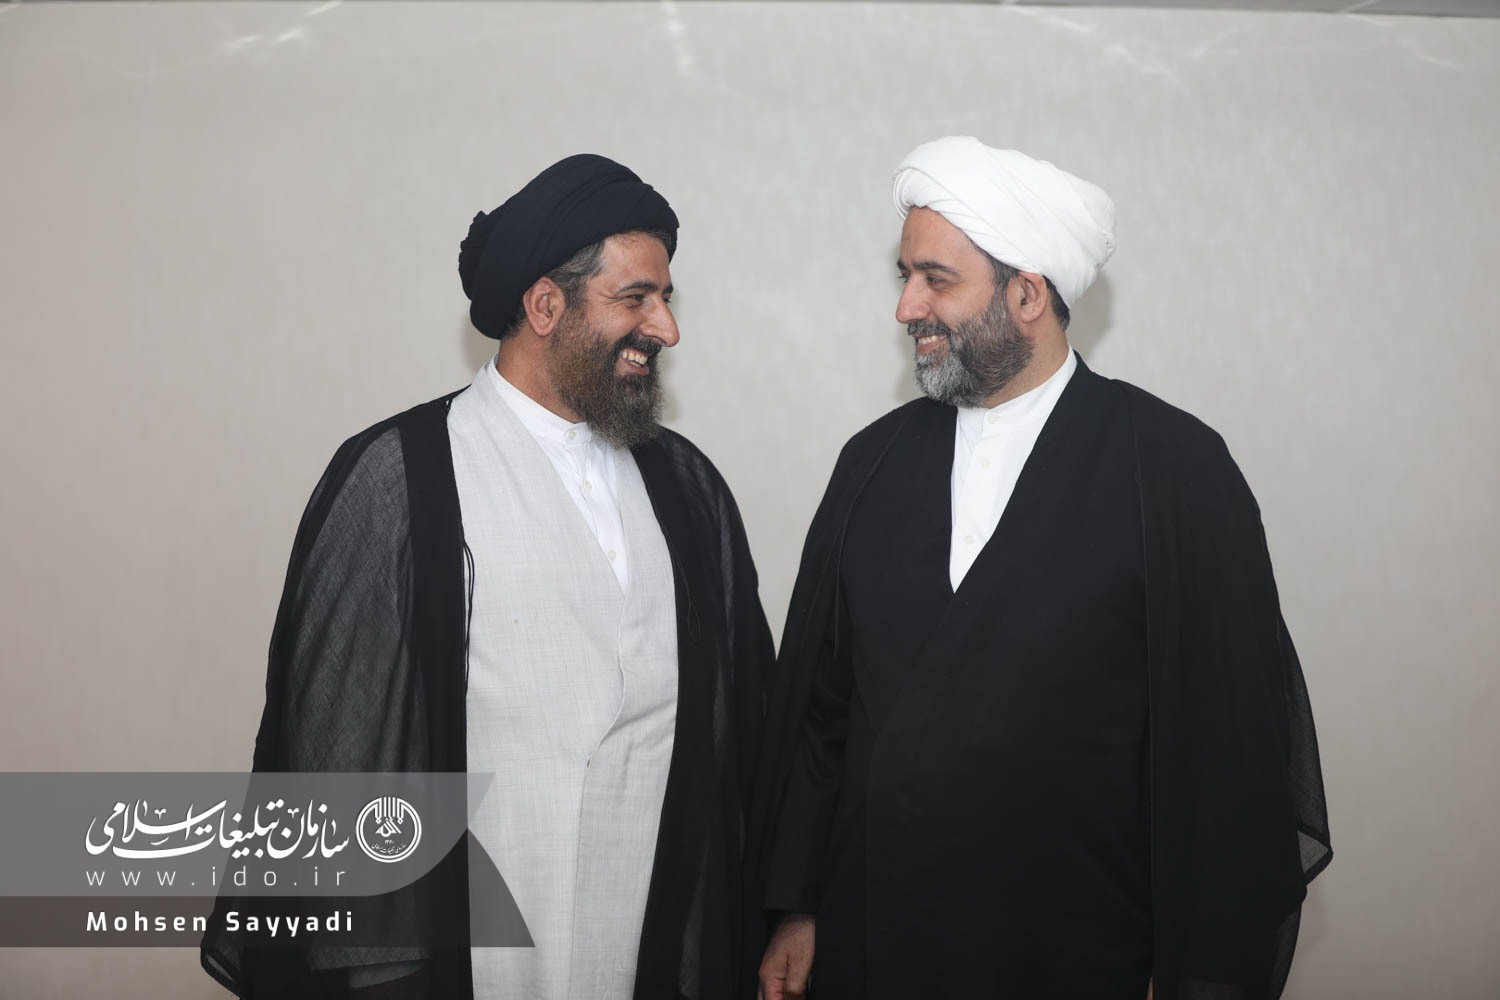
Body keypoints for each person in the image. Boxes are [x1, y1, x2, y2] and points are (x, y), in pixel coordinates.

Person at [751, 137, 1331, 1000]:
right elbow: (822, 713)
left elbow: (1230, 750)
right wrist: (797, 908)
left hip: (1080, 951)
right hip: (875, 941)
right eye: (905, 276)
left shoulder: (1174, 470)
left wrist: (1196, 972)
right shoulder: (871, 464)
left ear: (1027, 294)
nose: (906, 306)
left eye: (936, 279)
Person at [201, 154, 773, 999]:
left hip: (642, 944)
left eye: (666, 298)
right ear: (545, 307)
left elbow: (743, 735)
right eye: (636, 298)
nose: (666, 328)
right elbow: (341, 756)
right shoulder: (402, 478)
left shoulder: (687, 489)